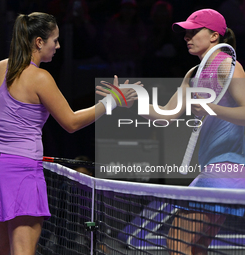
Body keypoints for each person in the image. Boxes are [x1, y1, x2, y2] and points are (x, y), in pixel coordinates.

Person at [0, 12, 138, 255]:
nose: (58, 46)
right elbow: (70, 122)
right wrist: (110, 102)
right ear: (39, 42)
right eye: (55, 40)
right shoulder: (40, 78)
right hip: (20, 172)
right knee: (22, 250)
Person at [97, 8, 245, 255]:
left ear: (214, 36)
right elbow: (167, 114)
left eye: (194, 31)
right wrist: (134, 102)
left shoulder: (228, 66)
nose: (187, 37)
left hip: (227, 169)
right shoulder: (194, 74)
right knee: (196, 248)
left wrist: (212, 108)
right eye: (185, 33)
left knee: (177, 242)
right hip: (214, 168)